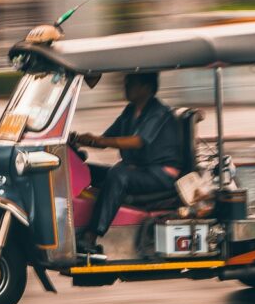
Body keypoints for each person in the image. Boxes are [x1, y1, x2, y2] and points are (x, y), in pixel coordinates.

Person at [72, 72, 182, 253]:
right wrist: (78, 139)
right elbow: (106, 139)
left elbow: (137, 141)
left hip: (160, 174)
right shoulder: (130, 111)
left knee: (117, 175)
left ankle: (91, 235)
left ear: (146, 87)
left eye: (131, 83)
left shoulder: (157, 112)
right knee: (87, 170)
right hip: (139, 171)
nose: (126, 86)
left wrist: (98, 141)